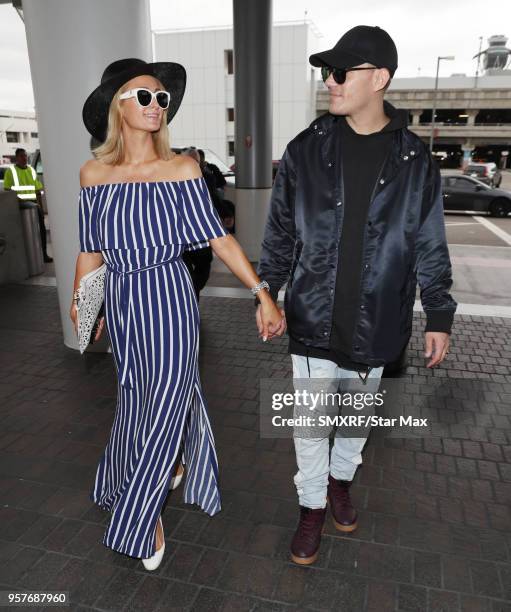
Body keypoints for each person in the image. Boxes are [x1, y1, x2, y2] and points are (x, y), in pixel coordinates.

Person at [71, 58, 285, 571]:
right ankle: (164, 464)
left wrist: (262, 292)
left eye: (162, 99)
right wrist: (85, 305)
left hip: (169, 297)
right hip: (122, 300)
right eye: (144, 97)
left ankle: (142, 517)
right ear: (118, 107)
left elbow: (219, 236)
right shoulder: (93, 173)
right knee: (136, 401)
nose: (156, 106)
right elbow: (89, 250)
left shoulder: (182, 170)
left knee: (166, 402)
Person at [256, 25, 457, 565]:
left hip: (378, 321)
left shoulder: (416, 162)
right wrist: (266, 292)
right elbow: (279, 232)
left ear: (380, 79)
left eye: (343, 71)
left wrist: (438, 312)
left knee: (356, 421)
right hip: (311, 318)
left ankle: (342, 479)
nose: (330, 81)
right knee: (311, 423)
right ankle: (312, 507)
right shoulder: (305, 150)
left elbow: (428, 242)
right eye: (326, 71)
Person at [3, 147, 53, 262]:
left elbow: (38, 190)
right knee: (24, 234)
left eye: (25, 155)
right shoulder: (11, 172)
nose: (24, 158)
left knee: (41, 230)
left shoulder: (31, 170)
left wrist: (40, 206)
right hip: (19, 206)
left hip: (34, 205)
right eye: (21, 156)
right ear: (17, 158)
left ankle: (43, 254)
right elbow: (7, 191)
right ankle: (26, 258)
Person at [181, 147, 214, 299]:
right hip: (182, 241)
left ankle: (193, 291)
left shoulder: (205, 177)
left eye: (196, 162)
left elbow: (213, 200)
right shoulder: (171, 178)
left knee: (203, 268)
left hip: (201, 237)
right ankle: (191, 296)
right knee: (186, 273)